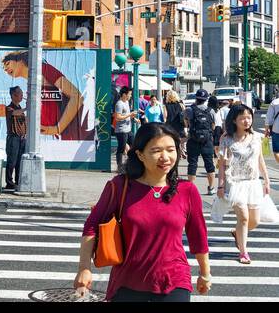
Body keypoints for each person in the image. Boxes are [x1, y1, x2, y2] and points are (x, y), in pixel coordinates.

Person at [74, 122, 211, 302]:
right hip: (127, 283)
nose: (165, 157)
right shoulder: (120, 186)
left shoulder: (187, 190)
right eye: (156, 151)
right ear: (140, 155)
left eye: (171, 150)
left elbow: (198, 235)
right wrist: (84, 268)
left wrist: (205, 273)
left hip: (173, 281)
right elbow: (92, 225)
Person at [217, 102, 271, 265]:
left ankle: (237, 233)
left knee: (254, 221)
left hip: (253, 182)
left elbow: (260, 159)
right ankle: (243, 252)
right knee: (244, 218)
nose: (247, 121)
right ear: (234, 120)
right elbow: (222, 164)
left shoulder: (256, 137)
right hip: (234, 183)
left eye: (249, 117)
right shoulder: (226, 139)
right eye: (243, 118)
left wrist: (266, 180)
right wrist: (220, 185)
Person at [0, 52, 86, 140]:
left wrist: (57, 128)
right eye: (4, 69)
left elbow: (77, 97)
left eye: (7, 63)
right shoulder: (32, 88)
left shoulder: (43, 69)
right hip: (67, 140)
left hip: (82, 134)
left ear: (19, 59)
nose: (6, 69)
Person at [185, 88, 216, 194]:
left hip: (193, 139)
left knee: (192, 164)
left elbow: (186, 122)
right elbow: (213, 125)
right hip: (207, 141)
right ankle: (211, 188)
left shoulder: (189, 110)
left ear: (196, 98)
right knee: (209, 164)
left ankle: (190, 189)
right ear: (206, 99)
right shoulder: (211, 110)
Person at [4, 86, 26, 191]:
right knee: (11, 161)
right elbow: (14, 113)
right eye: (20, 94)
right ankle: (9, 182)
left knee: (19, 161)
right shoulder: (9, 108)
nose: (22, 96)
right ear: (13, 95)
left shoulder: (19, 109)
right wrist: (26, 108)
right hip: (13, 138)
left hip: (22, 138)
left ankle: (18, 181)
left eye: (22, 94)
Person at [112, 87, 137, 172]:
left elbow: (126, 115)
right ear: (124, 94)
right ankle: (119, 167)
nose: (130, 96)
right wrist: (129, 115)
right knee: (121, 149)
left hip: (128, 129)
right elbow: (117, 117)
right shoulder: (119, 104)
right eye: (129, 94)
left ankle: (130, 164)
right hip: (121, 130)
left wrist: (133, 118)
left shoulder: (126, 102)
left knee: (134, 145)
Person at [265, 94, 279, 168]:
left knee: (276, 151)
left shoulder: (275, 102)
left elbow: (269, 118)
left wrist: (266, 129)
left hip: (277, 129)